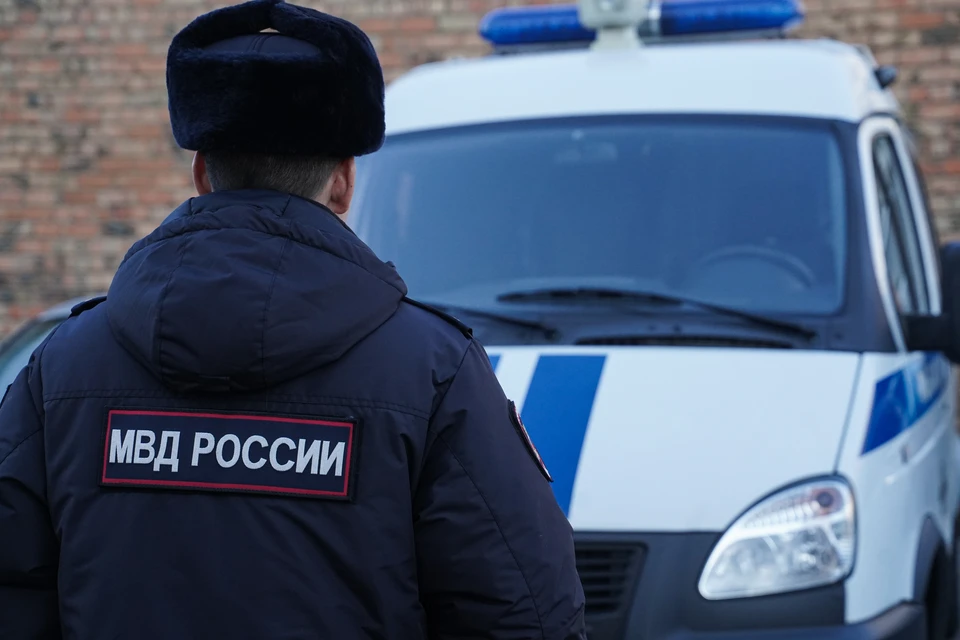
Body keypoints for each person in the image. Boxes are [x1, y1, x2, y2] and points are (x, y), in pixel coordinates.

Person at [0, 1, 587, 638]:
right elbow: (524, 616)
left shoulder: (62, 367)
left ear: (201, 174)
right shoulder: (434, 371)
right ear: (344, 183)